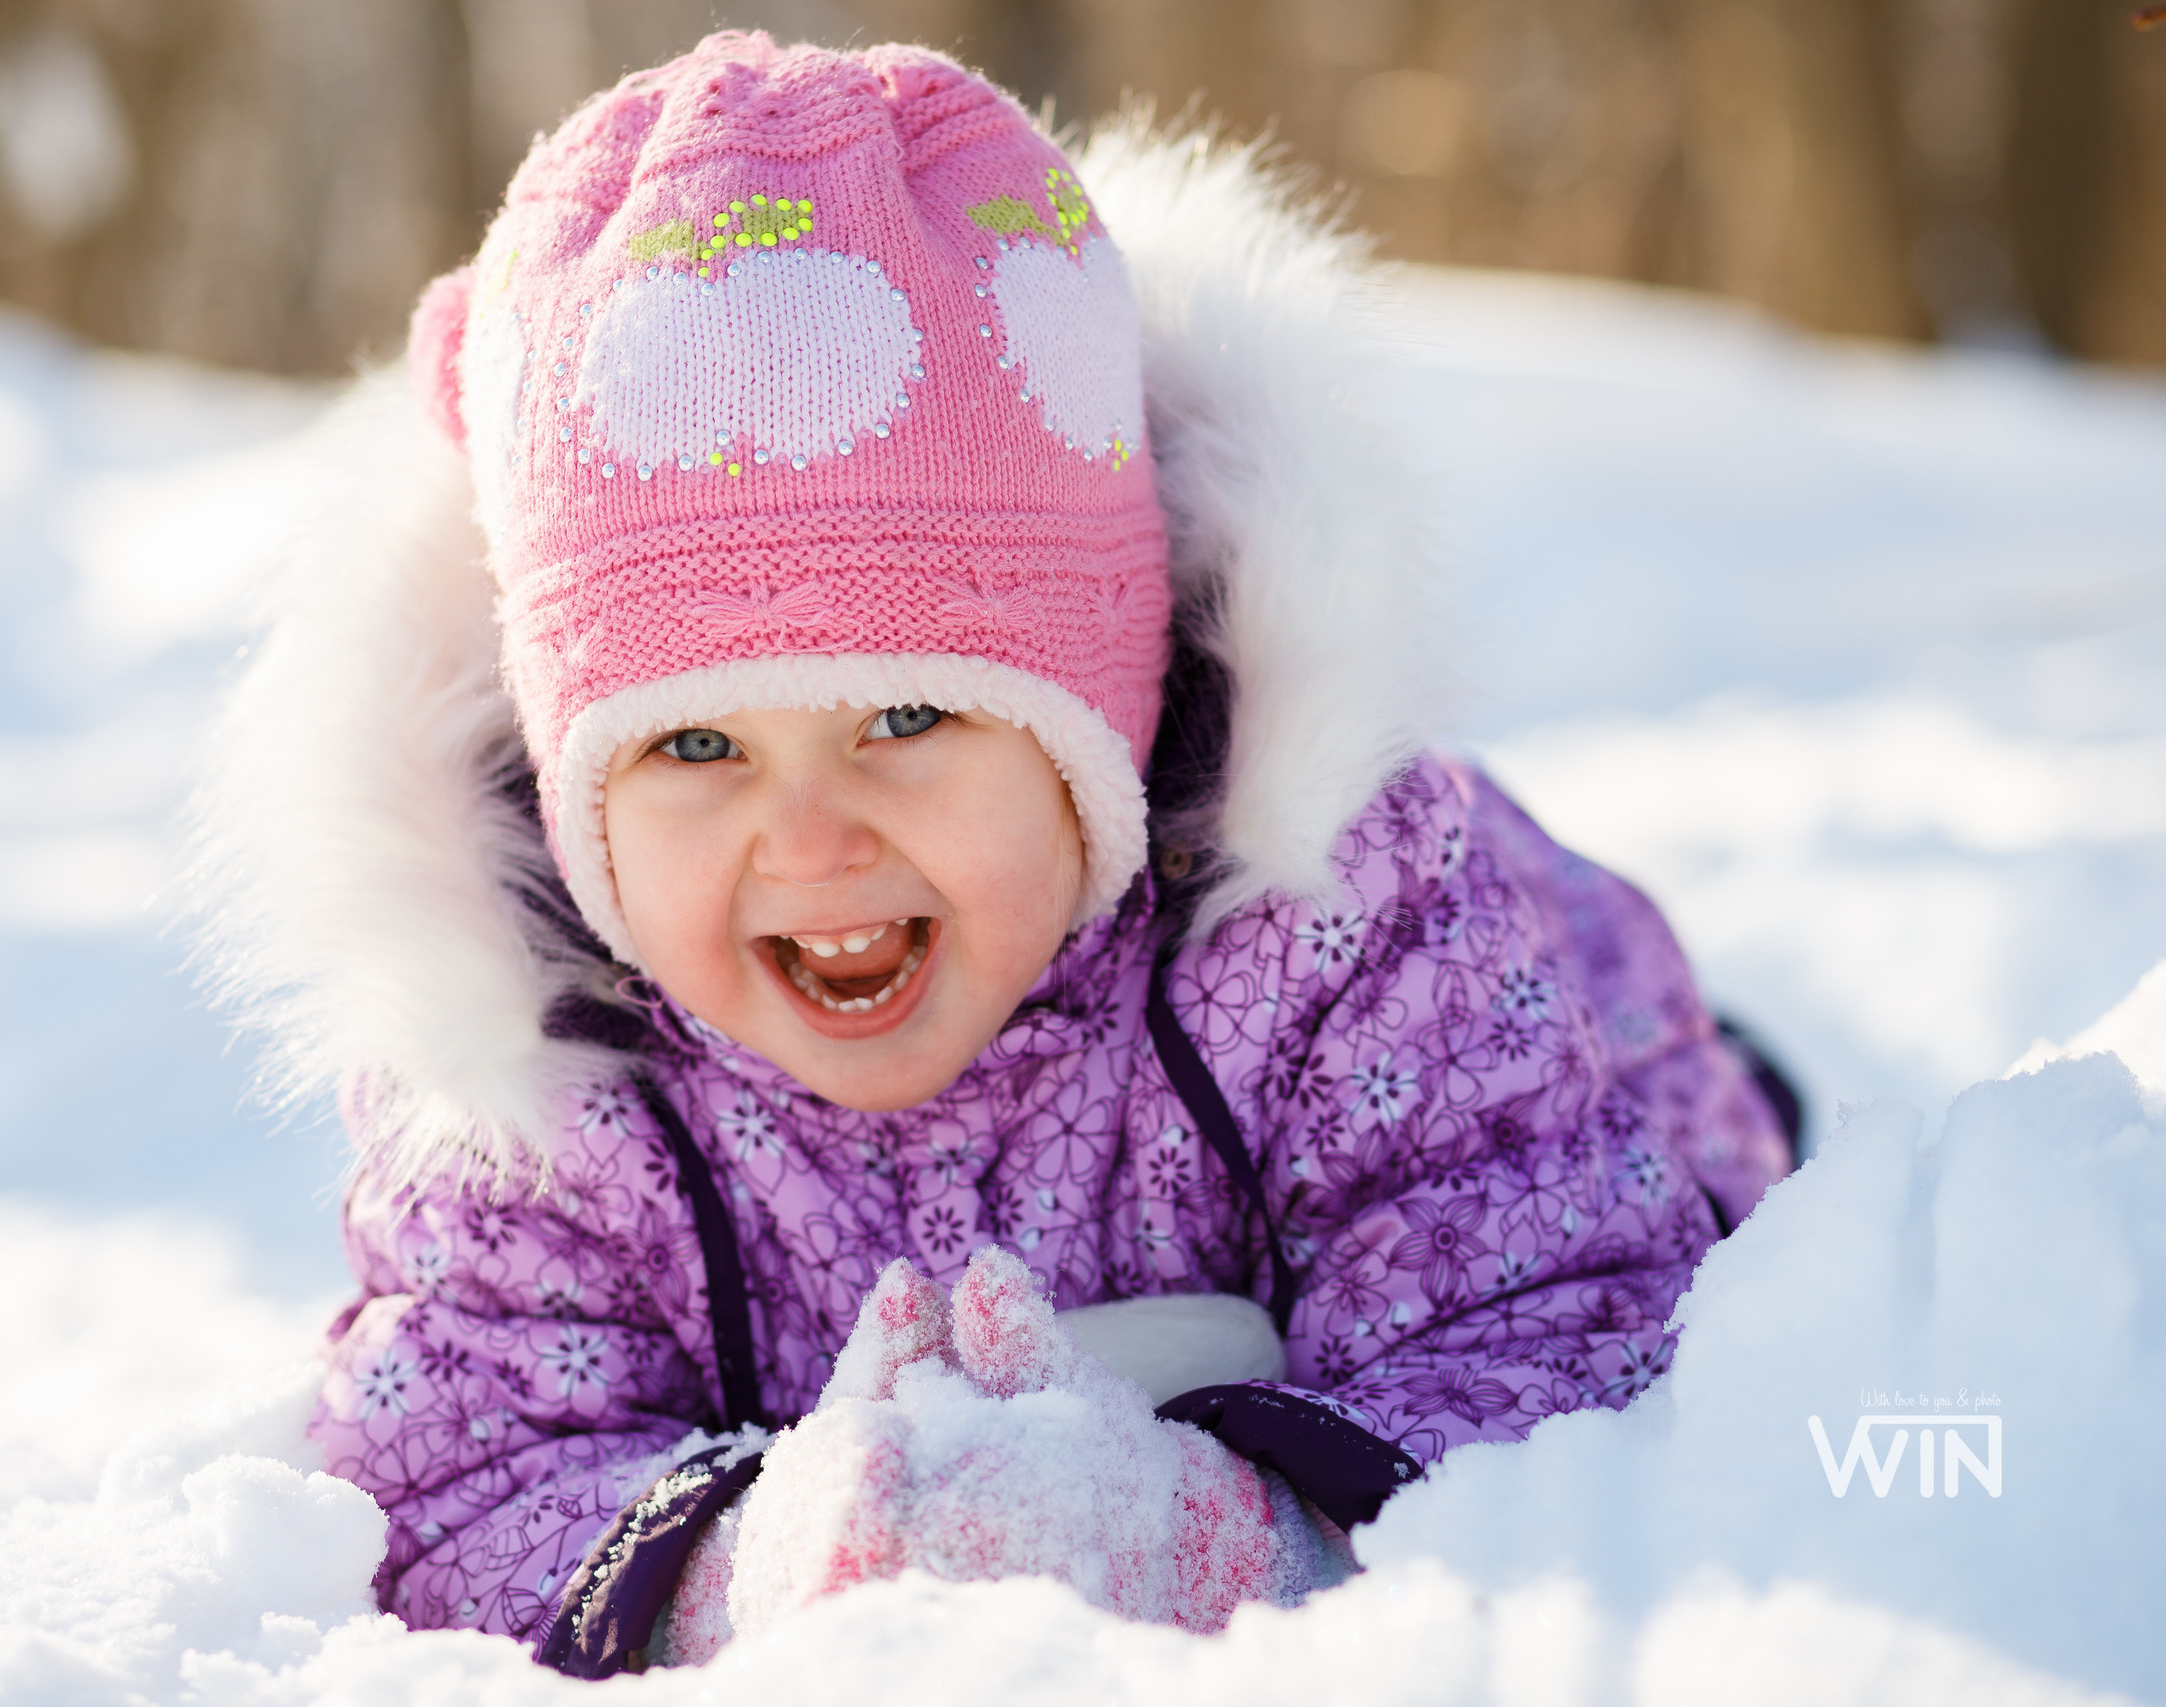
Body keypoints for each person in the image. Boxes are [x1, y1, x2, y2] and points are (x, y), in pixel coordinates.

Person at [191, 29, 1793, 1676]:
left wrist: (1226, 1529)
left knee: (1695, 1142)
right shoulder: (543, 1093)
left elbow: (1567, 1319)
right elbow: (453, 1476)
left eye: (908, 719)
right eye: (691, 747)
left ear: (1097, 725)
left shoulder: (1334, 932)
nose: (809, 835)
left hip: (1583, 1036)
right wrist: (756, 1558)